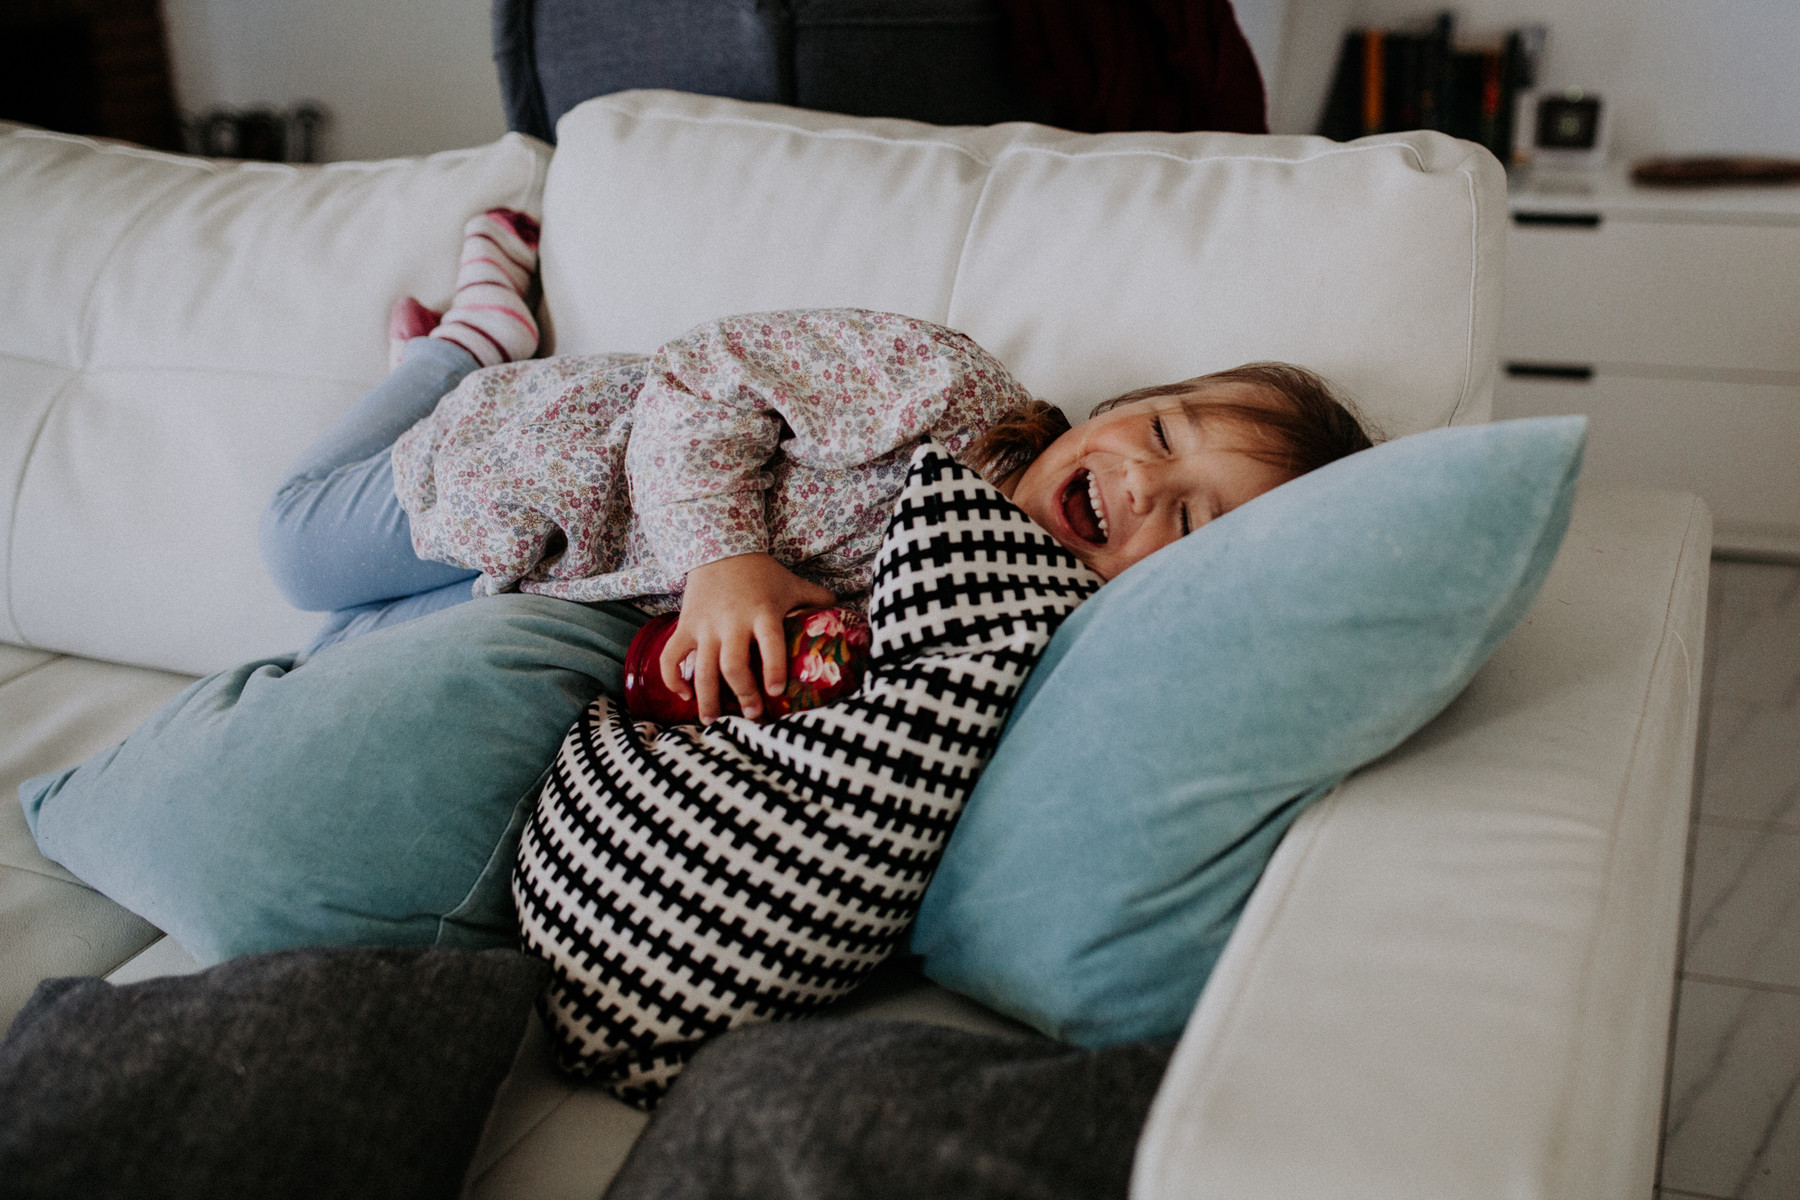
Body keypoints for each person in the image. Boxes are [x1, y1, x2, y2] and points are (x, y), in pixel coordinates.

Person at [262, 210, 1375, 723]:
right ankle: (468, 339)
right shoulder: (948, 392)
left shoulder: (1010, 629)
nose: (1141, 486)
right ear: (1124, 407)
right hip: (549, 466)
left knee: (335, 671)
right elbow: (706, 373)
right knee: (296, 550)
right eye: (1165, 436)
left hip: (568, 608)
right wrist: (726, 558)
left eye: (1186, 525)